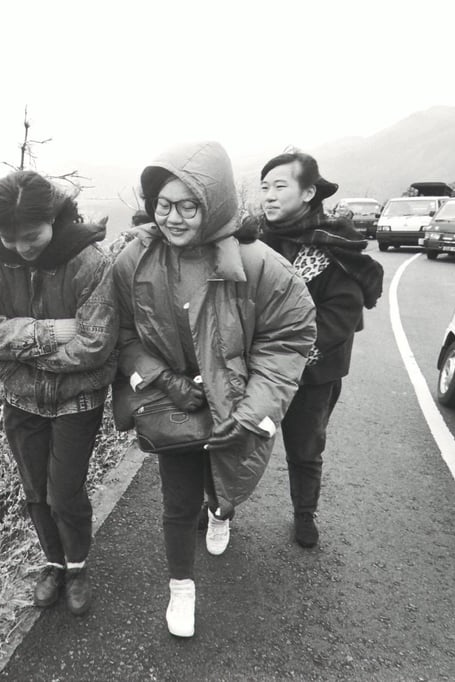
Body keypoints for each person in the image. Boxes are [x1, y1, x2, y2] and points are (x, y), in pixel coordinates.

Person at [112, 141, 316, 637]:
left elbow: (289, 338)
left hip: (236, 402)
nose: (175, 218)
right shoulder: (134, 260)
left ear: (216, 204)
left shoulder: (259, 264)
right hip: (171, 402)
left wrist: (253, 412)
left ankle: (222, 511)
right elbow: (121, 333)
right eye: (164, 205)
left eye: (189, 206)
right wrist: (161, 379)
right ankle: (181, 587)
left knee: (225, 481)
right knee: (177, 502)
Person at [0, 170, 118, 616]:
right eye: (9, 236)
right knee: (35, 490)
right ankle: (52, 562)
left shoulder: (90, 262)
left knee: (65, 492)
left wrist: (25, 353)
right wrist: (52, 331)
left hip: (79, 399)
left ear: (53, 217)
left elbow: (96, 342)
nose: (22, 246)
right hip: (20, 400)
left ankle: (77, 566)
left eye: (32, 234)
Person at [254, 151, 384, 548]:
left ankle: (304, 514)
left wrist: (287, 354)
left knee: (305, 447)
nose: (269, 196)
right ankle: (220, 507)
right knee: (236, 439)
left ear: (309, 192)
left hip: (312, 372)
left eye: (280, 186)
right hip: (254, 367)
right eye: (264, 187)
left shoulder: (334, 248)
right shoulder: (253, 240)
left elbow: (339, 317)